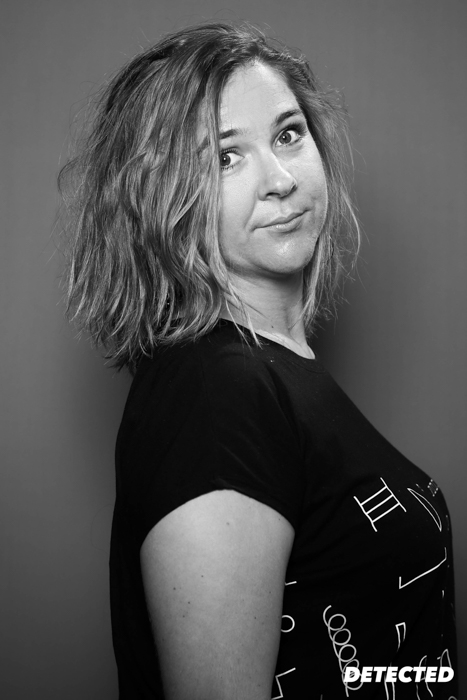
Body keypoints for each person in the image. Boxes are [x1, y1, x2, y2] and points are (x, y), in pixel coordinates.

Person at [59, 21, 458, 700]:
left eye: (288, 135)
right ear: (162, 197)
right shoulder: (217, 393)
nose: (279, 180)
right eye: (225, 157)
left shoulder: (272, 372)